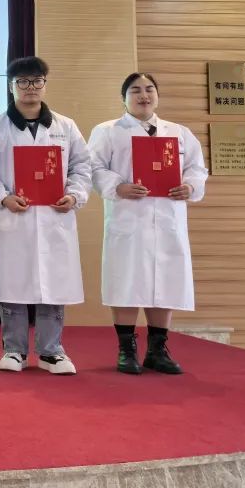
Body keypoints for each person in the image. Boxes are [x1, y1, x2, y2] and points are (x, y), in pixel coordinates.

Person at [0, 56, 91, 375]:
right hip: (14, 217)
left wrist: (74, 195)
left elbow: (82, 166)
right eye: (22, 82)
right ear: (11, 87)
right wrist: (3, 197)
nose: (30, 88)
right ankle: (14, 350)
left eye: (37, 81)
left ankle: (51, 352)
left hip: (54, 217)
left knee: (53, 284)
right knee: (13, 284)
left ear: (44, 85)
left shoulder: (66, 127)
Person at [88, 72, 208, 375]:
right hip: (129, 217)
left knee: (166, 281)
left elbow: (197, 169)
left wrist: (190, 186)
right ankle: (126, 350)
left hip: (168, 217)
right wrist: (118, 186)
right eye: (135, 90)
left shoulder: (179, 132)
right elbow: (93, 167)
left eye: (149, 89)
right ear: (123, 98)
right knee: (126, 281)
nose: (144, 95)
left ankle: (157, 350)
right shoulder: (108, 131)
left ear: (157, 95)